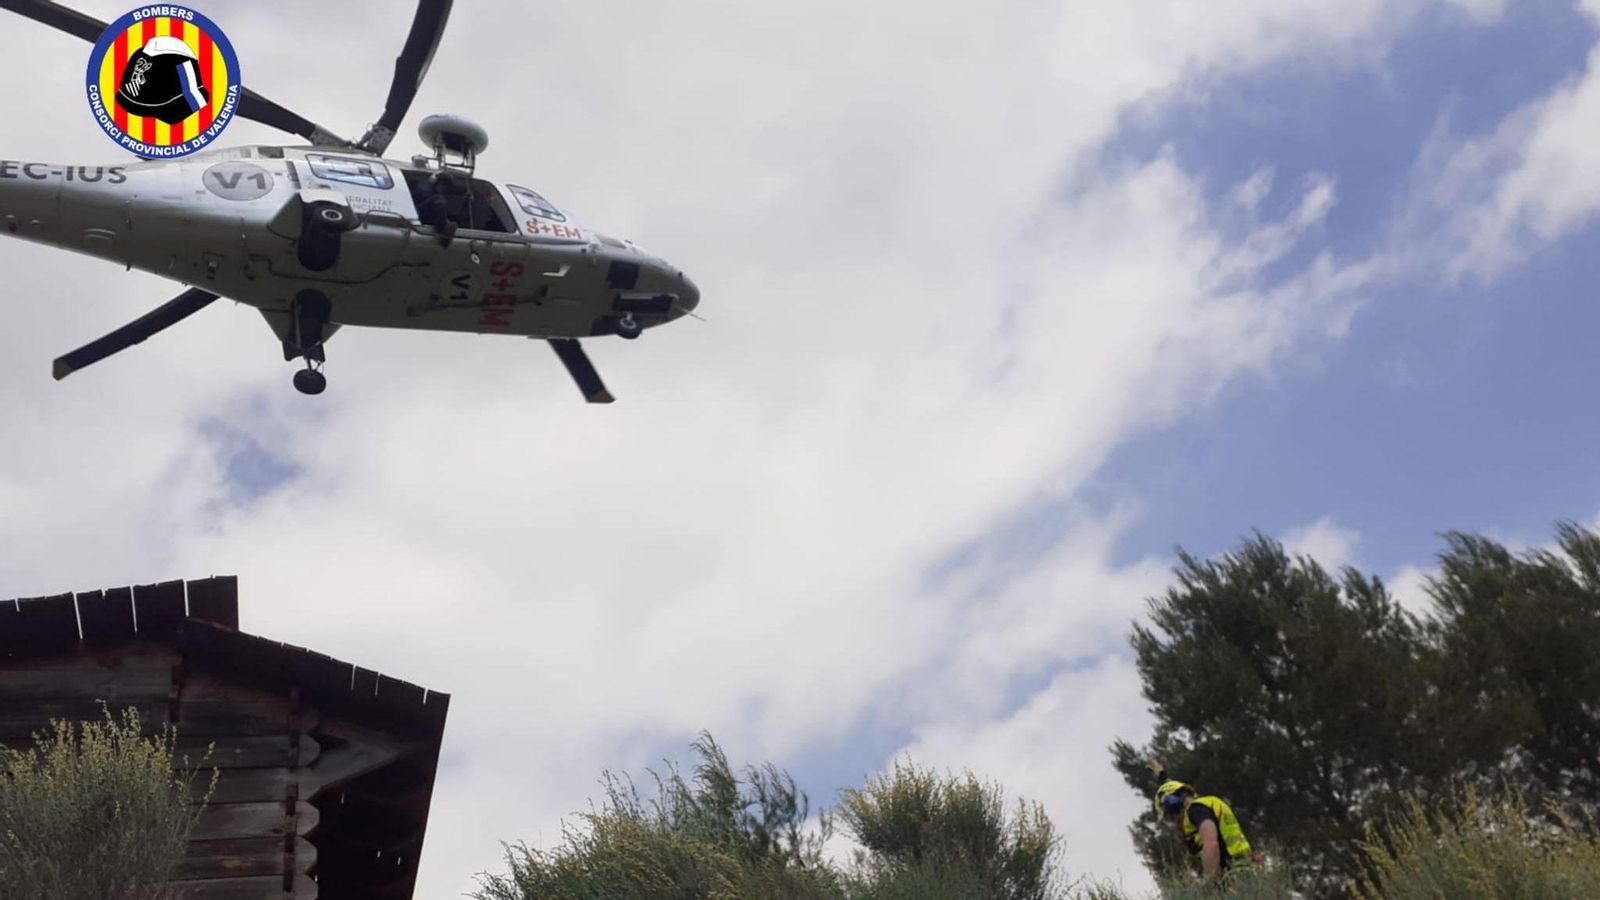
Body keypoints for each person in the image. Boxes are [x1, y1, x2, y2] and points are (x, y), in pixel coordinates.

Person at [1146, 760, 1264, 880]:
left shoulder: (1196, 810)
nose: (1174, 820)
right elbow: (1176, 790)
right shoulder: (1207, 804)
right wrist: (1163, 778)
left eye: (1170, 815)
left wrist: (1210, 880)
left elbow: (1211, 845)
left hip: (1234, 874)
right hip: (1244, 868)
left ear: (1173, 804)